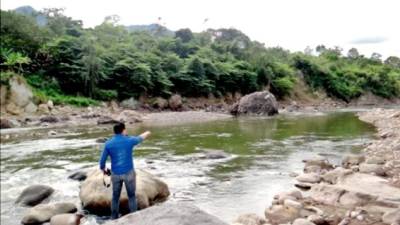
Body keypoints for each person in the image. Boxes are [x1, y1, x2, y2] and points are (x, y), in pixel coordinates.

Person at [99, 122, 151, 219]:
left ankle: (114, 217)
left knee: (115, 197)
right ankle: (134, 217)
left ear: (114, 132)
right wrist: (147, 132)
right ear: (123, 130)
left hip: (115, 174)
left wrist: (105, 173)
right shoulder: (129, 140)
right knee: (131, 196)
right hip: (129, 173)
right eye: (125, 129)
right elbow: (140, 138)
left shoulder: (108, 143)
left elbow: (102, 163)